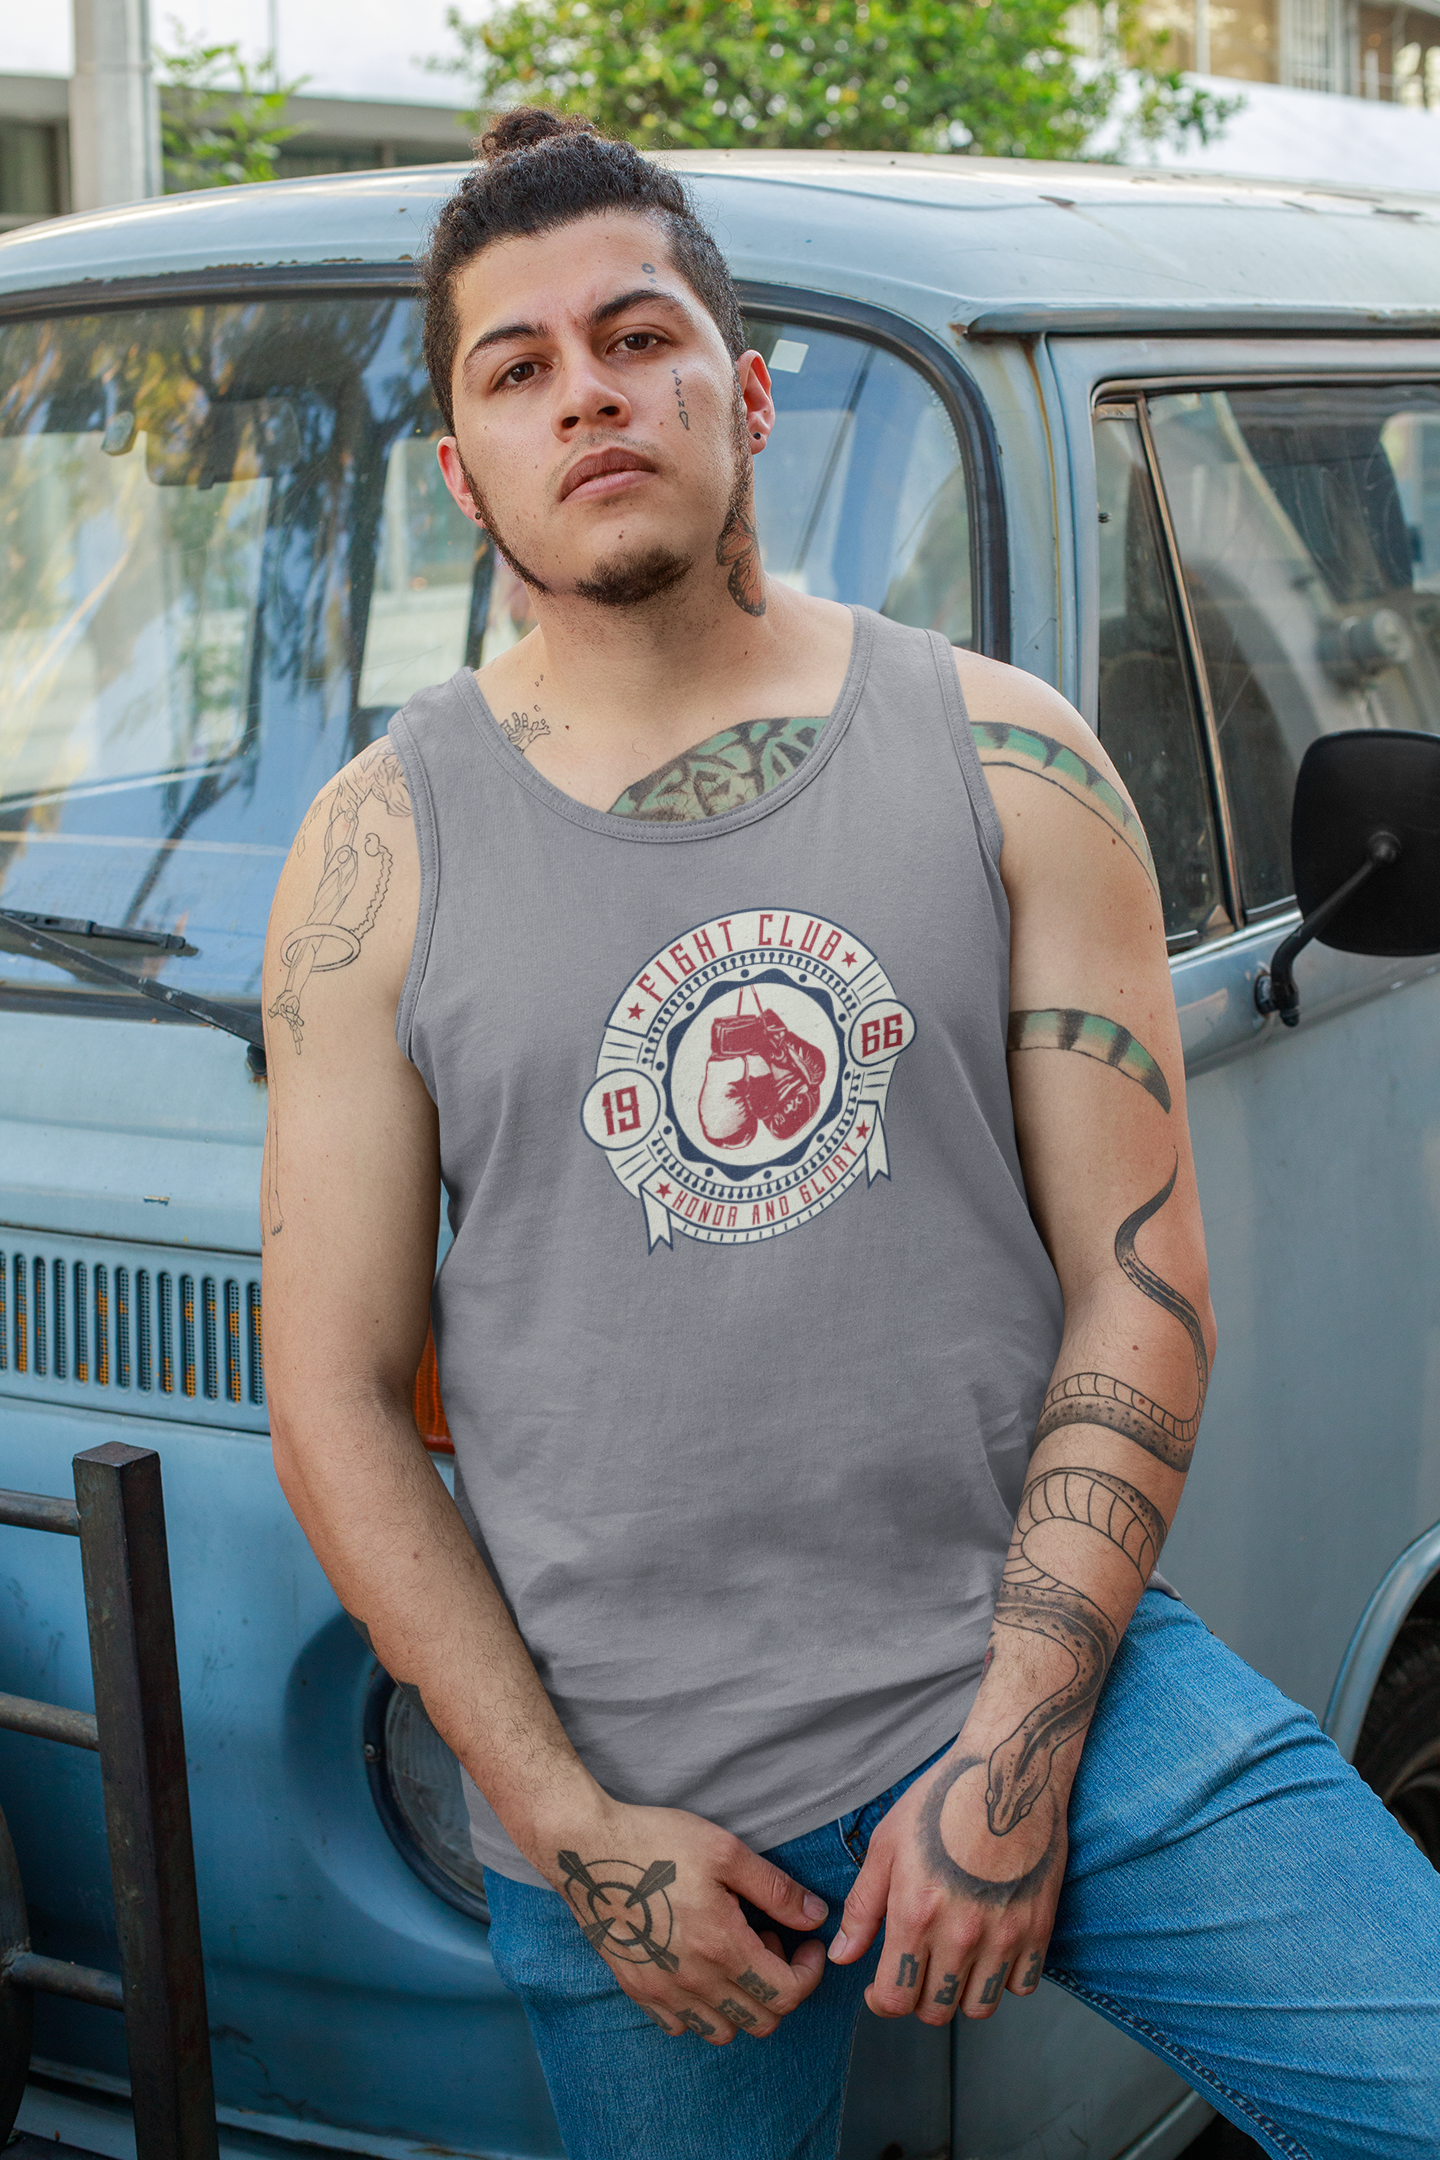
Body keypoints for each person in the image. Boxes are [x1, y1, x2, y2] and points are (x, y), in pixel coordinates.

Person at [260, 110, 1440, 2160]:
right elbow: (334, 1393)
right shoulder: (377, 850)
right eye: (518, 369)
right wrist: (572, 1827)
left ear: (746, 396)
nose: (587, 394)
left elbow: (1142, 1285)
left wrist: (1012, 1761)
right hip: (625, 1793)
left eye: (638, 337)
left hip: (1049, 1678)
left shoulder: (1007, 756)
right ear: (464, 472)